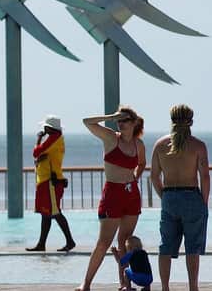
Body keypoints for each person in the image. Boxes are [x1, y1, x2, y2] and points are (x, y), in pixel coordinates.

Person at [76, 106, 147, 291]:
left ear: (134, 123)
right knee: (104, 242)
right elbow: (87, 121)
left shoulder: (138, 144)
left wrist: (135, 178)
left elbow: (141, 163)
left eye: (124, 120)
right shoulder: (110, 138)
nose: (121, 123)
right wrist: (111, 116)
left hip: (131, 194)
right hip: (112, 193)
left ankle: (125, 284)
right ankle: (86, 283)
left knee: (125, 241)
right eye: (119, 120)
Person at [150, 104, 210, 291]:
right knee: (192, 247)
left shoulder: (160, 145)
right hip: (192, 196)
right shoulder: (198, 146)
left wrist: (164, 195)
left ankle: (165, 287)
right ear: (191, 121)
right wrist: (204, 202)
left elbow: (154, 176)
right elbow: (205, 176)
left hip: (170, 197)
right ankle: (193, 287)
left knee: (165, 246)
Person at [25, 115, 75, 252]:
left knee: (55, 212)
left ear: (49, 128)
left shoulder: (53, 139)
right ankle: (41, 244)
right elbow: (40, 156)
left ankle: (70, 241)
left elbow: (36, 152)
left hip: (50, 182)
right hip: (46, 181)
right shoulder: (55, 139)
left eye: (45, 127)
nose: (44, 129)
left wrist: (39, 139)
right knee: (46, 213)